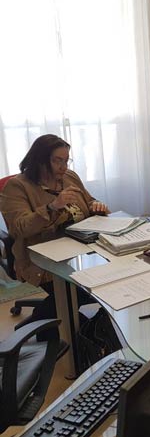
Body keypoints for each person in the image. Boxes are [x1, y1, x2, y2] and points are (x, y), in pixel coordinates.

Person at [0, 134, 109, 339]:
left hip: (82, 250)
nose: (63, 166)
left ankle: (78, 326)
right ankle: (46, 324)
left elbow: (89, 200)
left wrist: (96, 207)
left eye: (66, 160)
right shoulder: (17, 187)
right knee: (83, 289)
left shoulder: (70, 178)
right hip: (42, 259)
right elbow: (19, 228)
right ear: (40, 160)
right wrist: (52, 207)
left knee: (112, 279)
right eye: (57, 160)